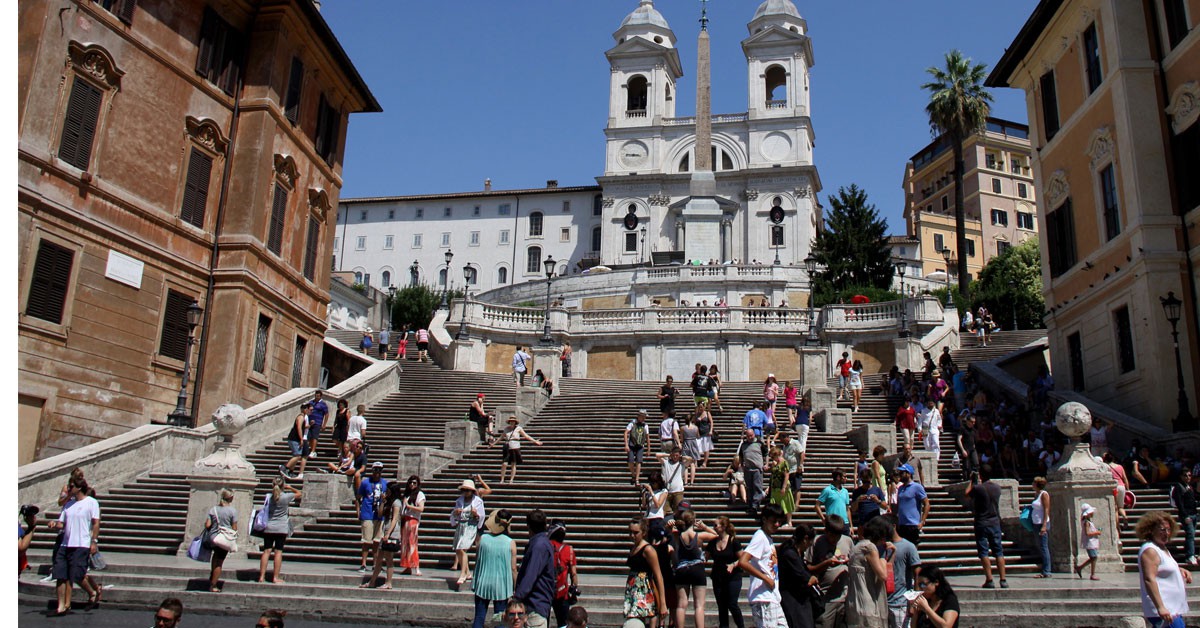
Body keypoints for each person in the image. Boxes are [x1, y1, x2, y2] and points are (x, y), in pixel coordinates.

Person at [49, 480, 100, 615]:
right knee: (60, 575)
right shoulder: (68, 504)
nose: (68, 489)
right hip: (65, 544)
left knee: (77, 574)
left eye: (71, 487)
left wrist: (94, 541)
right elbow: (62, 524)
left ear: (79, 488)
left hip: (81, 544)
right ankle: (61, 607)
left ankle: (92, 592)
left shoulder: (91, 502)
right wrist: (55, 524)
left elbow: (95, 523)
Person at [1137, 511, 1192, 627]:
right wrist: (1160, 607)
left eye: (1168, 529)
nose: (1166, 533)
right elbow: (1149, 579)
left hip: (1172, 609)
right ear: (1150, 530)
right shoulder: (1150, 550)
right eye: (1162, 529)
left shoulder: (1161, 548)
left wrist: (1179, 570)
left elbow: (1162, 567)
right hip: (1165, 610)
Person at [737, 504, 788, 628]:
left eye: (779, 522)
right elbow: (743, 561)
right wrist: (765, 578)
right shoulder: (760, 537)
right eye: (774, 521)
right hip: (763, 597)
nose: (777, 525)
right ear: (764, 519)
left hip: (772, 597)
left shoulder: (767, 538)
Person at [472, 509, 517, 628]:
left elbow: (478, 561)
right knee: (500, 618)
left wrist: (474, 581)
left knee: (479, 617)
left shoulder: (482, 539)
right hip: (501, 584)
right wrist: (515, 586)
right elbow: (513, 568)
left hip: (483, 582)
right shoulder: (510, 543)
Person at [672, 510, 717, 628]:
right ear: (693, 521)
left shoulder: (678, 535)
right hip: (697, 569)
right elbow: (716, 536)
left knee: (681, 604)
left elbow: (669, 534)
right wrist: (705, 527)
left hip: (681, 569)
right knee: (699, 605)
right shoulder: (699, 536)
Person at [806, 515, 853, 627]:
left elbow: (854, 564)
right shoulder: (817, 542)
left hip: (844, 597)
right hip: (825, 599)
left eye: (838, 536)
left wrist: (848, 562)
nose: (835, 540)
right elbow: (807, 568)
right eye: (832, 536)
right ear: (826, 531)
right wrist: (826, 563)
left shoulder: (848, 541)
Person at [846, 517, 893, 628]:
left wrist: (892, 553)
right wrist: (882, 560)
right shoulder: (869, 548)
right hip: (868, 604)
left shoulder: (857, 546)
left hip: (855, 603)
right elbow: (883, 575)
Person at [513, 509, 556, 628]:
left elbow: (530, 575)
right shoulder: (543, 543)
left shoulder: (538, 546)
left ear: (529, 527)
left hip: (535, 604)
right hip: (538, 603)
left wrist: (517, 597)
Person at [964, 470, 1007, 589]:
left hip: (981, 521)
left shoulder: (978, 488)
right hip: (995, 521)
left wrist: (972, 481)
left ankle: (989, 579)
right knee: (998, 551)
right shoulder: (997, 488)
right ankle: (1003, 579)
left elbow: (967, 494)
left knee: (983, 551)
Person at [624, 517, 668, 627]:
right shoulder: (634, 548)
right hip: (633, 588)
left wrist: (663, 603)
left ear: (643, 533)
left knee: (644, 618)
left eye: (636, 533)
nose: (632, 536)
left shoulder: (648, 549)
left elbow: (658, 575)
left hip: (644, 589)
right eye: (630, 532)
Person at [361, 483, 404, 589]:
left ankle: (389, 582)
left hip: (392, 533)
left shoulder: (397, 502)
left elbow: (395, 519)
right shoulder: (389, 502)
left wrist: (389, 533)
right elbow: (380, 514)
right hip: (385, 531)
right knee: (379, 559)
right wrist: (382, 502)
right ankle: (372, 581)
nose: (386, 492)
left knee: (389, 559)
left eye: (388, 490)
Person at [258, 477, 300, 584]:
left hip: (269, 527)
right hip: (281, 527)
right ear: (283, 485)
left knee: (266, 551)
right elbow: (299, 493)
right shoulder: (286, 497)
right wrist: (290, 487)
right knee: (278, 552)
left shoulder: (269, 497)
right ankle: (275, 577)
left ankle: (261, 576)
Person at [777, 523, 818, 628]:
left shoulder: (797, 552)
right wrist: (811, 579)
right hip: (792, 599)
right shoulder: (790, 553)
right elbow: (803, 576)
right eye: (810, 542)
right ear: (805, 539)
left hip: (800, 598)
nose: (810, 545)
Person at [708, 516, 745, 628]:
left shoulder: (734, 542)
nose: (713, 527)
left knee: (732, 604)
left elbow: (743, 559)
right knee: (721, 606)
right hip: (718, 577)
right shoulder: (713, 542)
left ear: (723, 527)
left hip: (733, 577)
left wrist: (733, 565)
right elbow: (704, 556)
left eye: (715, 525)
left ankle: (741, 626)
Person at [887, 518, 922, 628]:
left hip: (901, 603)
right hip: (883, 603)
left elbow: (917, 574)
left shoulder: (908, 546)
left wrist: (913, 602)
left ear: (893, 526)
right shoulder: (880, 546)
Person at [451, 478, 486, 585]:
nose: (465, 492)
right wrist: (455, 512)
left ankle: (462, 574)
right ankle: (467, 572)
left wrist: (476, 514)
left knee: (462, 549)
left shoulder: (478, 501)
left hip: (471, 526)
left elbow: (482, 516)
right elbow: (454, 514)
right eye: (464, 490)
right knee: (458, 549)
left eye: (468, 490)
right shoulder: (459, 501)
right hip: (461, 525)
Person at [356, 462, 388, 573]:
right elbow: (358, 497)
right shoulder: (365, 483)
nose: (377, 473)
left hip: (379, 515)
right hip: (367, 513)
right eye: (375, 470)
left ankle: (375, 564)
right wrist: (358, 511)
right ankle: (363, 564)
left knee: (377, 541)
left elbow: (387, 499)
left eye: (379, 470)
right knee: (366, 541)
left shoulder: (385, 483)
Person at [204, 489, 238, 592]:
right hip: (224, 539)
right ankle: (213, 585)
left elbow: (207, 524)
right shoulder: (232, 511)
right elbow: (234, 527)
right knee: (220, 561)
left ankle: (212, 574)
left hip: (213, 537)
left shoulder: (213, 509)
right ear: (231, 498)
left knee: (215, 557)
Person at [549, 520, 580, 628]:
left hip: (545, 591)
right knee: (563, 624)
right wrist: (574, 589)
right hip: (562, 592)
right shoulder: (569, 550)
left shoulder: (544, 546)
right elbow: (574, 574)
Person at [500, 416, 543, 484]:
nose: (512, 422)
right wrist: (493, 444)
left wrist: (535, 441)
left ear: (515, 422)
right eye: (511, 421)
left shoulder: (518, 428)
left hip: (515, 446)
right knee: (504, 464)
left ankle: (511, 479)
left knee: (513, 463)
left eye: (513, 421)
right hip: (507, 446)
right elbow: (501, 437)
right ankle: (502, 479)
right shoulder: (506, 429)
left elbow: (526, 436)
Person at [895, 465, 929, 547]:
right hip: (901, 524)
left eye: (902, 473)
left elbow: (926, 503)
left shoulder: (917, 487)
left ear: (908, 474)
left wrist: (922, 521)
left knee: (912, 549)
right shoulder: (900, 488)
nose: (900, 474)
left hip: (912, 524)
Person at [1168, 468, 1197, 565]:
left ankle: (1188, 553)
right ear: (1181, 476)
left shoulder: (1190, 486)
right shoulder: (1179, 487)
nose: (1188, 477)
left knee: (1191, 535)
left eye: (1189, 475)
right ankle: (1190, 556)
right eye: (1185, 475)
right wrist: (1185, 515)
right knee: (1190, 534)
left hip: (1193, 514)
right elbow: (1179, 503)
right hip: (1186, 515)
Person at [399, 475, 426, 576]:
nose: (412, 484)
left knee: (412, 543)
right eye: (410, 482)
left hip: (413, 520)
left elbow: (421, 508)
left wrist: (409, 506)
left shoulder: (420, 494)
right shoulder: (407, 494)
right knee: (405, 544)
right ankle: (408, 566)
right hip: (405, 519)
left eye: (414, 483)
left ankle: (416, 567)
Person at [279, 402, 313, 480]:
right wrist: (301, 439)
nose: (308, 411)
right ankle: (284, 467)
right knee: (297, 455)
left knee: (297, 455)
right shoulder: (301, 417)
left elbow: (303, 426)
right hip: (294, 438)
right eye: (307, 409)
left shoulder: (303, 417)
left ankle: (290, 471)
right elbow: (299, 428)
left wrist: (309, 425)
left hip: (295, 439)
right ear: (304, 409)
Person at [768, 447, 796, 528]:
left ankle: (789, 521)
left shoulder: (784, 463)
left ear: (777, 455)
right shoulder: (775, 463)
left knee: (786, 504)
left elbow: (786, 475)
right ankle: (776, 521)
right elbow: (773, 475)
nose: (772, 458)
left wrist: (783, 487)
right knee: (775, 504)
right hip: (775, 487)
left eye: (773, 457)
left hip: (782, 487)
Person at [1029, 476, 1052, 578]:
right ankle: (1044, 569)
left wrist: (1044, 525)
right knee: (1040, 546)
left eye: (1033, 483)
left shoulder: (1044, 494)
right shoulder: (1037, 494)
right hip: (1035, 523)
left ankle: (1047, 571)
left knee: (1044, 547)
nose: (1032, 484)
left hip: (1042, 523)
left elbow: (1046, 509)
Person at [738, 430, 766, 512]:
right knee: (749, 487)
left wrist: (766, 464)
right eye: (748, 436)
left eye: (751, 435)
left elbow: (766, 453)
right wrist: (741, 464)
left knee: (757, 486)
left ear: (754, 434)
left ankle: (755, 505)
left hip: (757, 468)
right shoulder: (744, 445)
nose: (750, 437)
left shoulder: (759, 443)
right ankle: (750, 504)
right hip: (747, 468)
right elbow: (741, 455)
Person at [654, 448, 687, 516]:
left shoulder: (682, 464)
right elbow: (657, 455)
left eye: (677, 455)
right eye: (674, 455)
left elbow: (689, 459)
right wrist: (669, 455)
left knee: (678, 510)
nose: (675, 457)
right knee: (665, 510)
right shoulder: (666, 463)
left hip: (678, 491)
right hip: (667, 491)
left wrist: (681, 456)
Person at [1074, 503, 1102, 580]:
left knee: (1093, 557)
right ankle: (1091, 574)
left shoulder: (1087, 521)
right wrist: (1097, 532)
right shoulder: (1087, 522)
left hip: (1091, 542)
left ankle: (1080, 568)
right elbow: (1087, 533)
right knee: (1094, 557)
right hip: (1090, 543)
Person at [625, 410, 651, 485]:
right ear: (639, 416)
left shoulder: (645, 425)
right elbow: (626, 432)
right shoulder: (632, 423)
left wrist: (649, 449)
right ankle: (633, 474)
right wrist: (626, 444)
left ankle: (637, 479)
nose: (644, 418)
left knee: (639, 461)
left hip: (640, 445)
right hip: (631, 444)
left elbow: (647, 437)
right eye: (643, 417)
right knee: (630, 460)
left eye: (645, 417)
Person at [954, 415, 978, 480]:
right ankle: (966, 479)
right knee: (966, 466)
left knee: (976, 463)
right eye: (971, 422)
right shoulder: (962, 428)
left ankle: (975, 478)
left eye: (974, 422)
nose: (973, 423)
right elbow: (959, 439)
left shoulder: (973, 430)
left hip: (972, 449)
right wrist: (962, 450)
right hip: (965, 448)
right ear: (967, 421)